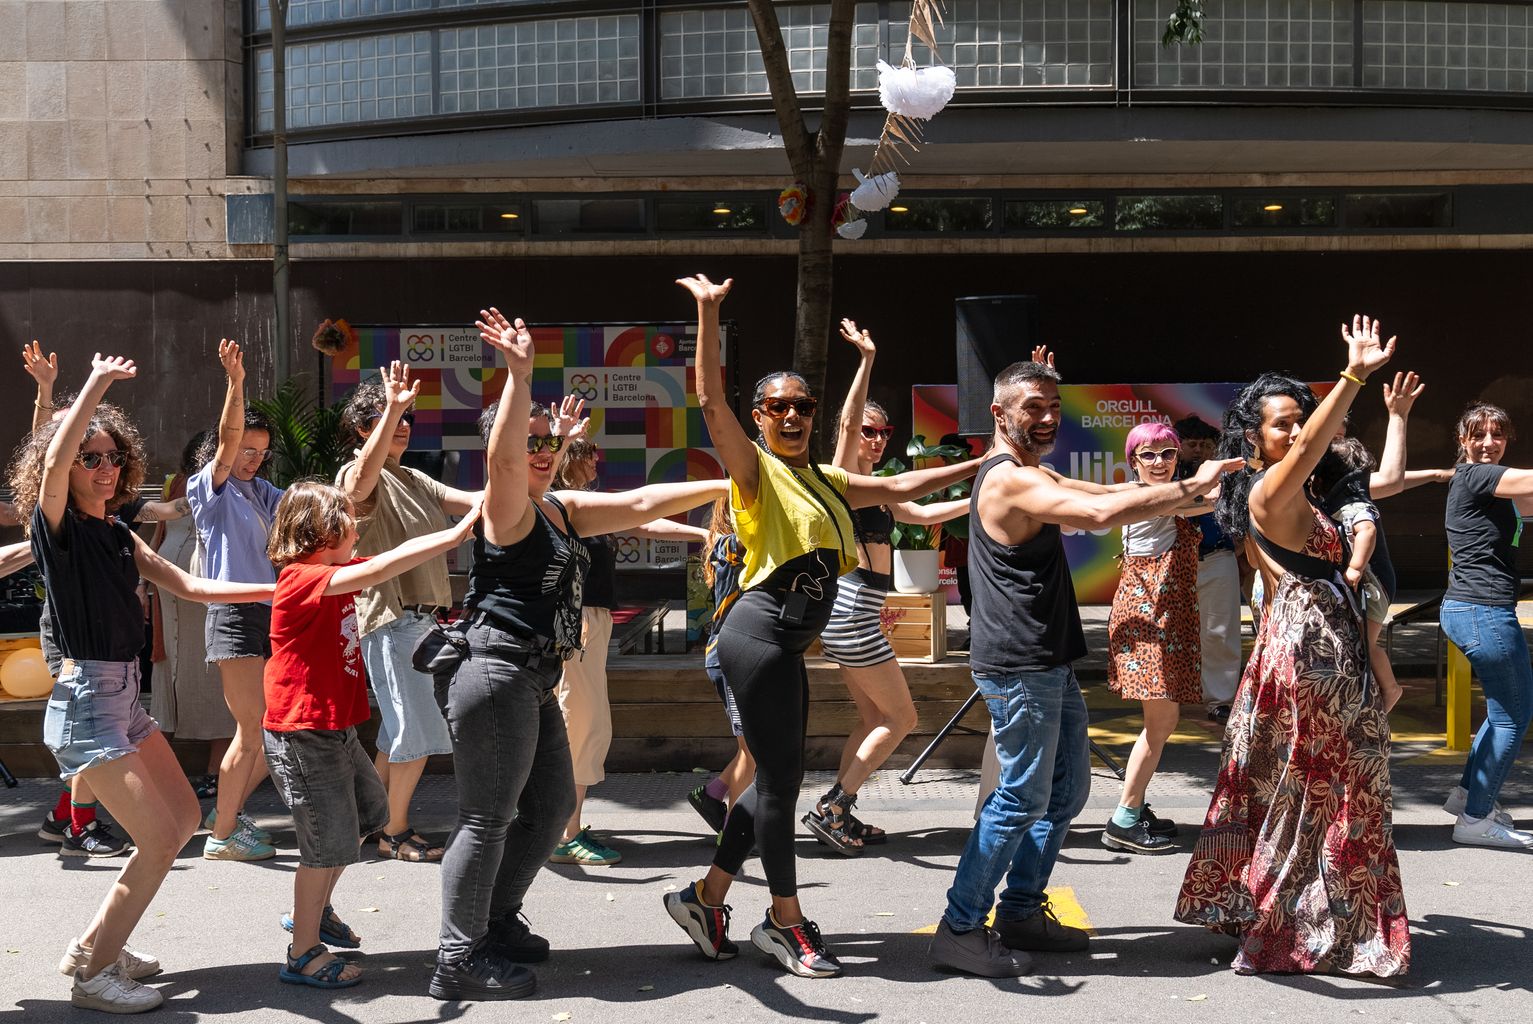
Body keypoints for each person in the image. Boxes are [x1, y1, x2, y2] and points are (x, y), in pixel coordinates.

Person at [662, 275, 978, 979]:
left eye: (802, 404)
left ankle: (705, 898)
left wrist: (983, 462)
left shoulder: (831, 479)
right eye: (778, 407)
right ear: (761, 416)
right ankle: (785, 921)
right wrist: (709, 314)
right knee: (779, 785)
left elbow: (899, 491)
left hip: (789, 643)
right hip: (756, 633)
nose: (793, 415)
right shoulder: (755, 472)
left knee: (776, 778)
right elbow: (710, 401)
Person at [429, 306, 726, 1001]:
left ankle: (496, 920)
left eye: (547, 441)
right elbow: (504, 458)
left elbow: (643, 498)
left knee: (551, 804)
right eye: (529, 440)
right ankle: (454, 957)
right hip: (495, 671)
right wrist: (520, 374)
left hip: (533, 676)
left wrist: (727, 483)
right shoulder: (507, 508)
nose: (538, 450)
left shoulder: (561, 506)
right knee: (487, 817)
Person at [929, 356, 1237, 979]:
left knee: (1066, 792)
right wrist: (1187, 489)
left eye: (1052, 407)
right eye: (1031, 408)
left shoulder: (1030, 472)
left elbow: (1104, 493)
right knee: (1019, 798)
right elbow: (1096, 516)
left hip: (1050, 661)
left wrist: (1192, 490)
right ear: (998, 414)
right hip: (1020, 665)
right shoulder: (1008, 480)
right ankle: (960, 926)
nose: (1045, 418)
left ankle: (1020, 910)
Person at [10, 354, 275, 1012]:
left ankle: (97, 943)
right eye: (90, 458)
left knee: (185, 820)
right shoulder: (58, 529)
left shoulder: (118, 531)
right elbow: (50, 461)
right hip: (87, 706)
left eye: (112, 458)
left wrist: (286, 587)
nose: (105, 469)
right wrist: (93, 385)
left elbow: (192, 585)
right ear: (66, 469)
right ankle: (93, 978)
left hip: (127, 700)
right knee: (158, 838)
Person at [1175, 316, 1410, 977]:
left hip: (1322, 653)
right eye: (1280, 424)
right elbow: (1310, 447)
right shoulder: (1270, 488)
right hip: (1307, 660)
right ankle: (1291, 928)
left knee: (1315, 791)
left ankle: (1301, 917)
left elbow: (1379, 482)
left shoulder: (1310, 487)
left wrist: (1392, 416)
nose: (1294, 433)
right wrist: (1352, 375)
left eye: (1296, 422)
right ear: (1252, 435)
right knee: (1316, 795)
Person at [263, 481, 480, 988]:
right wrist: (455, 536)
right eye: (345, 517)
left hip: (334, 727)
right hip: (302, 733)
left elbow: (384, 564)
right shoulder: (302, 578)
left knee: (369, 815)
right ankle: (303, 950)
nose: (356, 526)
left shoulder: (333, 575)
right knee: (324, 844)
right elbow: (385, 566)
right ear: (317, 530)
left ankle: (315, 911)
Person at [807, 318, 969, 855]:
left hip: (853, 613)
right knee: (903, 719)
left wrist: (983, 498)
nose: (875, 440)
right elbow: (848, 424)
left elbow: (922, 515)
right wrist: (866, 361)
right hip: (852, 612)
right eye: (868, 433)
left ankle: (838, 810)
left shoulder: (876, 491)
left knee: (875, 718)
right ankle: (834, 806)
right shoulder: (841, 477)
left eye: (884, 434)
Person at [336, 363, 482, 863]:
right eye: (384, 417)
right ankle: (393, 831)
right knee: (416, 732)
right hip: (392, 618)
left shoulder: (414, 475)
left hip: (420, 623)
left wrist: (544, 460)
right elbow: (356, 487)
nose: (401, 424)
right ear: (362, 428)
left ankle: (366, 822)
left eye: (406, 416)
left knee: (399, 731)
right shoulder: (358, 473)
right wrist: (391, 408)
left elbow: (475, 502)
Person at [548, 437, 712, 867]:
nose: (598, 459)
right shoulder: (561, 508)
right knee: (580, 724)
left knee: (584, 723)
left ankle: (560, 824)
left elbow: (647, 521)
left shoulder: (587, 505)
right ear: (572, 458)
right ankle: (564, 833)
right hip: (575, 622)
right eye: (590, 451)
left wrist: (702, 533)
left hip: (590, 622)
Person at [188, 339, 284, 862]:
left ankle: (225, 815)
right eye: (246, 450)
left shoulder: (263, 492)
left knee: (272, 732)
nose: (253, 458)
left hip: (269, 614)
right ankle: (223, 836)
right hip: (233, 615)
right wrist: (236, 383)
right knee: (254, 730)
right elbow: (226, 442)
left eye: (261, 451)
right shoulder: (211, 488)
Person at [1102, 422, 1208, 855]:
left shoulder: (1173, 495)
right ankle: (1124, 819)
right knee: (1160, 723)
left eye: (1167, 453)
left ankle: (1136, 803)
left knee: (1161, 723)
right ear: (1133, 462)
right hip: (1149, 622)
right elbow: (1208, 501)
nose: (1160, 462)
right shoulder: (1144, 498)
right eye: (1149, 455)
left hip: (1167, 618)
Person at [1438, 401, 1533, 849]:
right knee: (1514, 717)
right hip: (1484, 612)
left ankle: (1467, 798)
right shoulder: (1475, 475)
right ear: (1463, 441)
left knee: (1500, 715)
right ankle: (1476, 820)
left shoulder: (1490, 484)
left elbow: (1528, 500)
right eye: (1478, 435)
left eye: (1497, 434)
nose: (1488, 443)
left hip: (1473, 610)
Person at [149, 432, 236, 799]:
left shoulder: (186, 484)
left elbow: (159, 533)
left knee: (198, 670)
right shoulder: (199, 486)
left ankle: (171, 769)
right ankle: (208, 772)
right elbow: (161, 528)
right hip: (188, 585)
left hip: (183, 583)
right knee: (212, 670)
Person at [686, 496, 755, 830]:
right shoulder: (733, 544)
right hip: (730, 658)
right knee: (751, 749)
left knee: (752, 745)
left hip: (736, 655)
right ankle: (733, 831)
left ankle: (713, 795)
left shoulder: (724, 542)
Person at [1172, 415, 1242, 722]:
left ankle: (1221, 701)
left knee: (1220, 633)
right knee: (1172, 632)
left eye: (1205, 445)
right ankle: (1168, 698)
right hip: (1174, 563)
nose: (1198, 451)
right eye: (1191, 444)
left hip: (1217, 558)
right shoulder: (1165, 477)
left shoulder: (1226, 480)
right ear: (1178, 447)